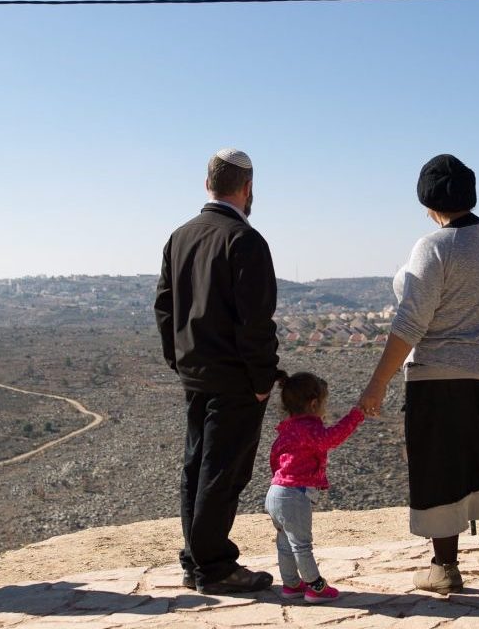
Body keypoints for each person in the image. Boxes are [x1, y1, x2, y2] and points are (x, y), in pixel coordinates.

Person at [359, 154, 479, 595]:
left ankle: (444, 567)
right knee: (478, 459)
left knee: (437, 466)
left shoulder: (433, 246)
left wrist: (376, 382)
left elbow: (410, 323)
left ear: (427, 199)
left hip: (438, 373)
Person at [154, 148, 280, 594]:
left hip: (196, 374)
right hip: (235, 380)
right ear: (247, 189)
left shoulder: (180, 236)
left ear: (208, 185)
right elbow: (256, 322)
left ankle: (196, 560)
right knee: (223, 473)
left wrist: (179, 360)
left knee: (196, 468)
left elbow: (165, 308)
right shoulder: (245, 240)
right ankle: (213, 566)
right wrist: (264, 380)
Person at [265, 372, 367, 603]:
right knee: (301, 544)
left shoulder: (286, 429)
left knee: (284, 543)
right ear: (313, 404)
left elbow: (274, 458)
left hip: (276, 491)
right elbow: (331, 438)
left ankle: (291, 585)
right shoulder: (308, 428)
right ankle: (315, 587)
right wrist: (356, 416)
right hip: (294, 494)